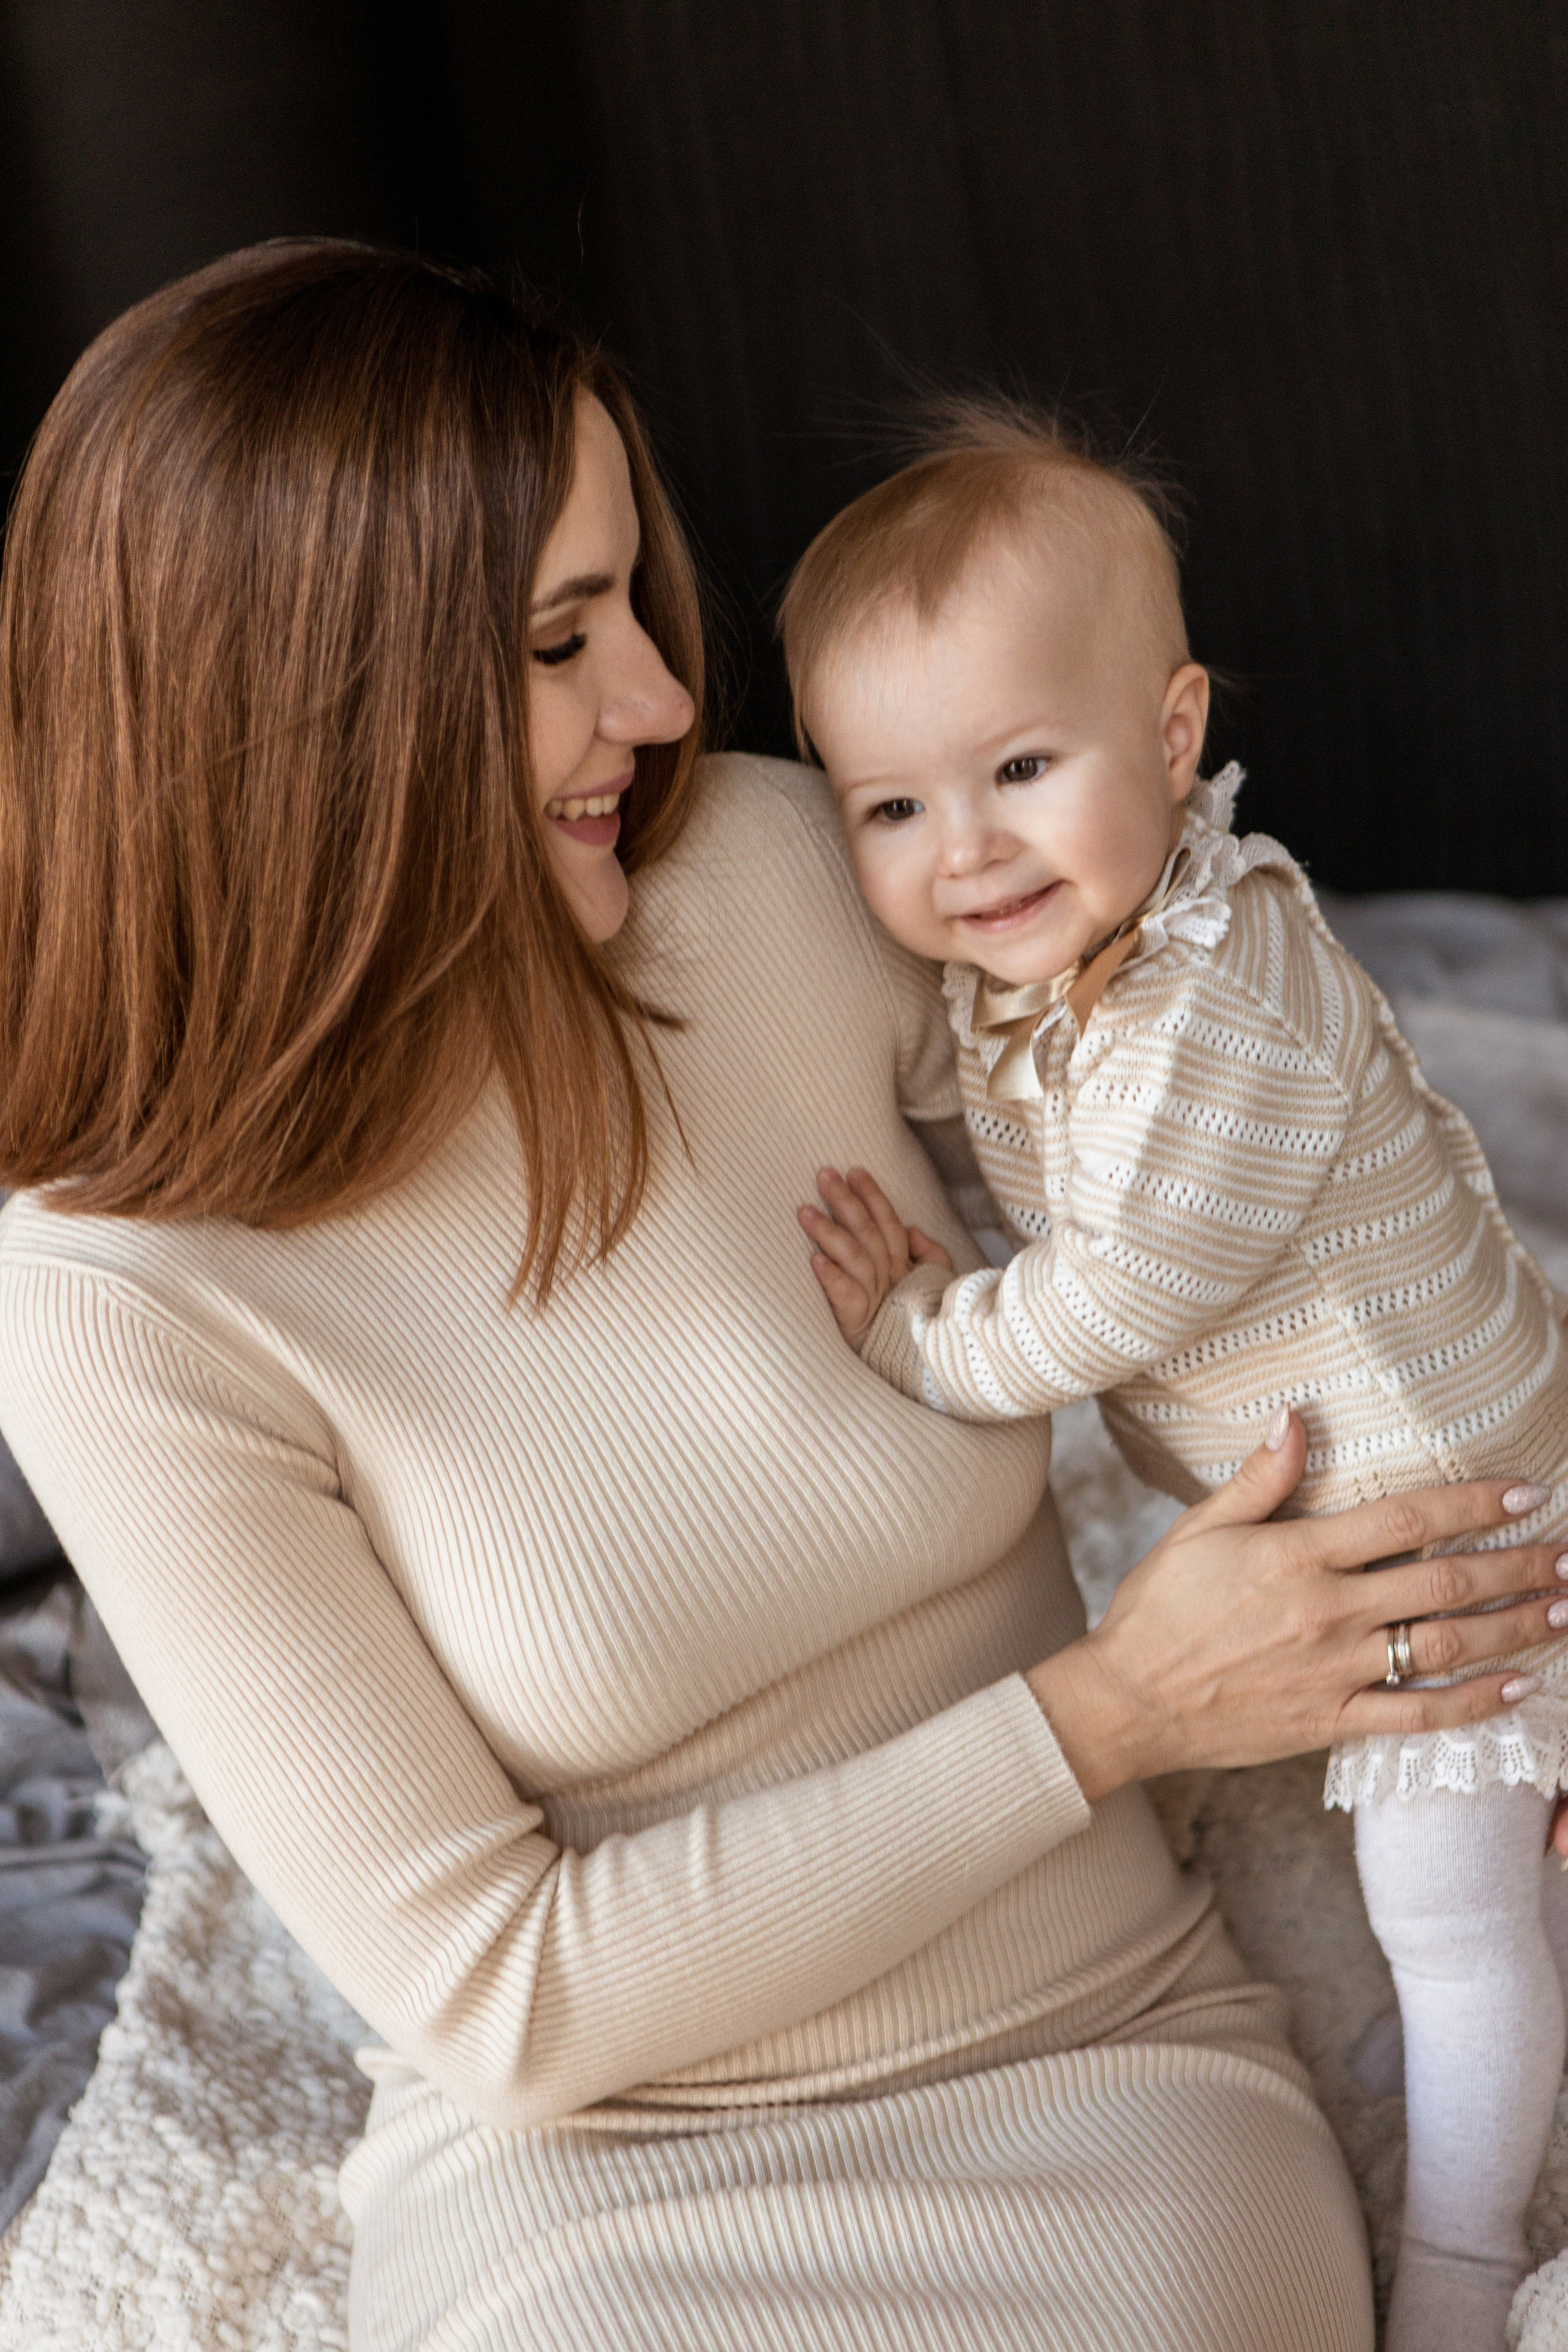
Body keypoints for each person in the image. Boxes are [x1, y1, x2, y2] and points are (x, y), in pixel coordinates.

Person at [0, 243, 1557, 2352]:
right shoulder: (111, 1296)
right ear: (311, 714)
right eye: (562, 641)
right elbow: (502, 2001)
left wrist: (1525, 1601)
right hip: (599, 2184)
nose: (662, 701)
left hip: (1096, 2074)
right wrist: (1119, 1709)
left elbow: (1282, 1143)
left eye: (633, 607)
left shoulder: (776, 875)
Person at [783, 403, 1568, 2352]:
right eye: (889, 809)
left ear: (1169, 731)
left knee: (1448, 1907)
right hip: (1406, 1465)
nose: (967, 850)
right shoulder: (1063, 964)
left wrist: (916, 1333)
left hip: (1454, 1519)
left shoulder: (1219, 1002)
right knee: (1488, 1883)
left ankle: (1466, 2264)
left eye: (1018, 769)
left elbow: (1111, 1297)